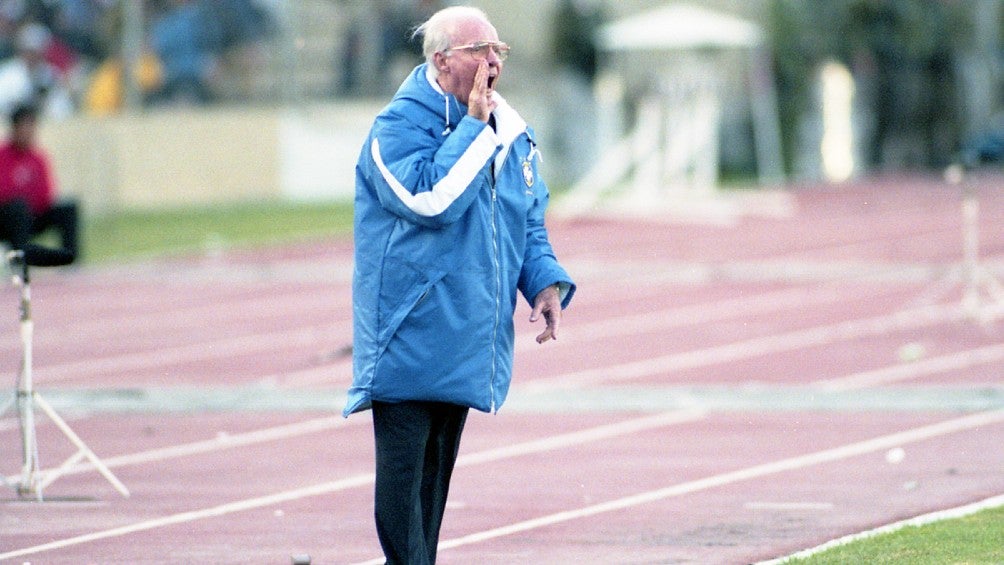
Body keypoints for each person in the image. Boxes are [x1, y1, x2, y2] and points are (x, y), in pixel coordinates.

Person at [344, 6, 576, 563]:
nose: (493, 62)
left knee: (433, 490)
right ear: (441, 60)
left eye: (498, 51)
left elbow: (526, 215)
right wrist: (473, 128)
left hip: (468, 331)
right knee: (403, 494)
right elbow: (431, 201)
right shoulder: (397, 128)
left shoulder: (510, 127)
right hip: (410, 333)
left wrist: (542, 281)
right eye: (480, 51)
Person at [0, 104, 79, 263]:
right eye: (24, 126)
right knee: (18, 208)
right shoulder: (3, 156)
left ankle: (70, 261)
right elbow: (4, 192)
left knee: (68, 209)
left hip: (33, 215)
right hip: (8, 218)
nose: (29, 132)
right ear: (14, 128)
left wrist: (27, 198)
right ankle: (20, 260)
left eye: (32, 126)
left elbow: (46, 193)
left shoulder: (38, 158)